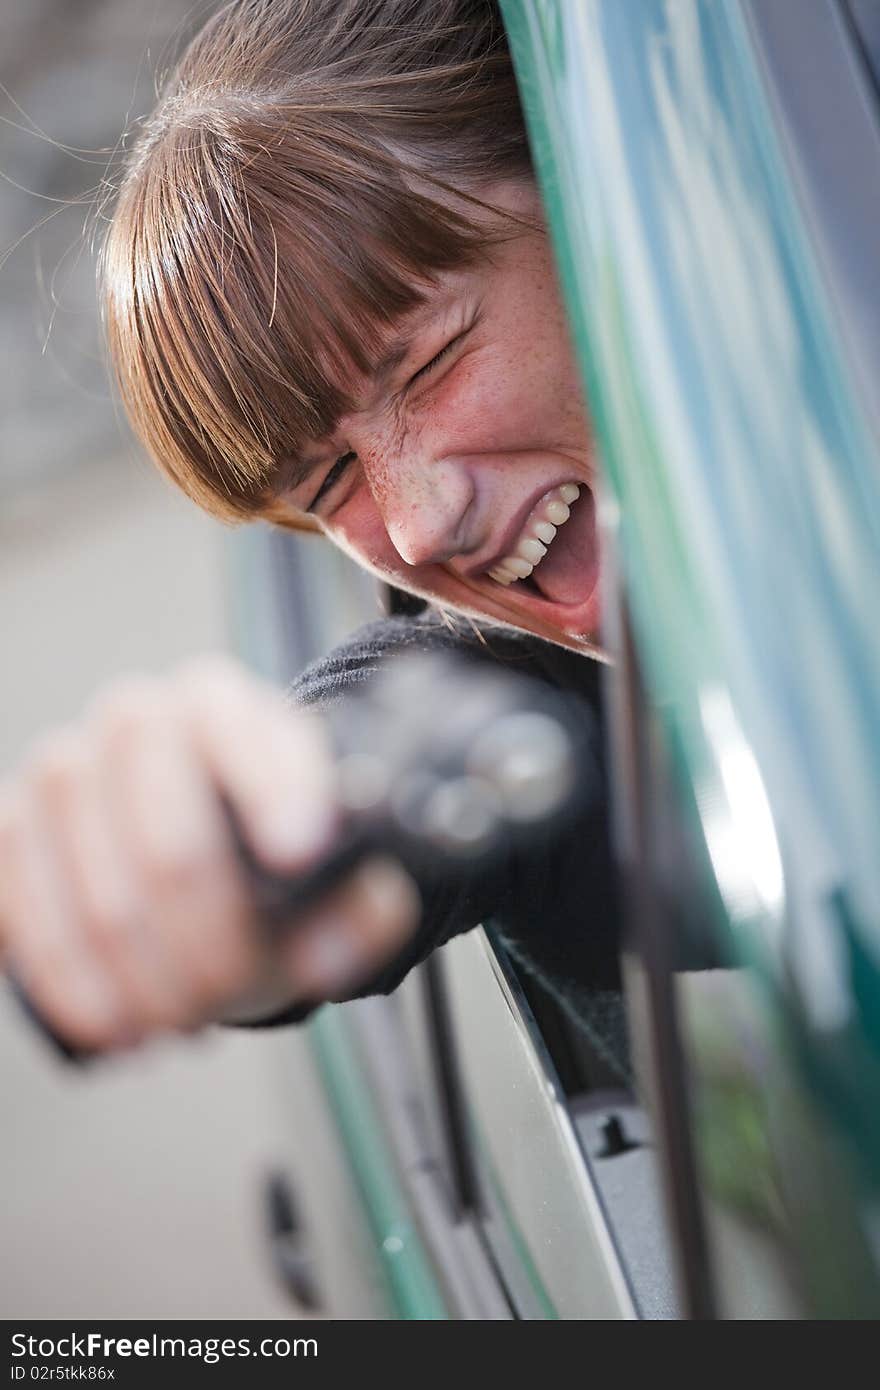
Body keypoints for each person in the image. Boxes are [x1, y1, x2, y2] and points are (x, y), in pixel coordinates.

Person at [0, 0, 623, 1068]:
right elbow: (381, 742)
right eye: (329, 481)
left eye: (428, 364)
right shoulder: (533, 739)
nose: (423, 528)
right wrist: (226, 844)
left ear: (598, 205)